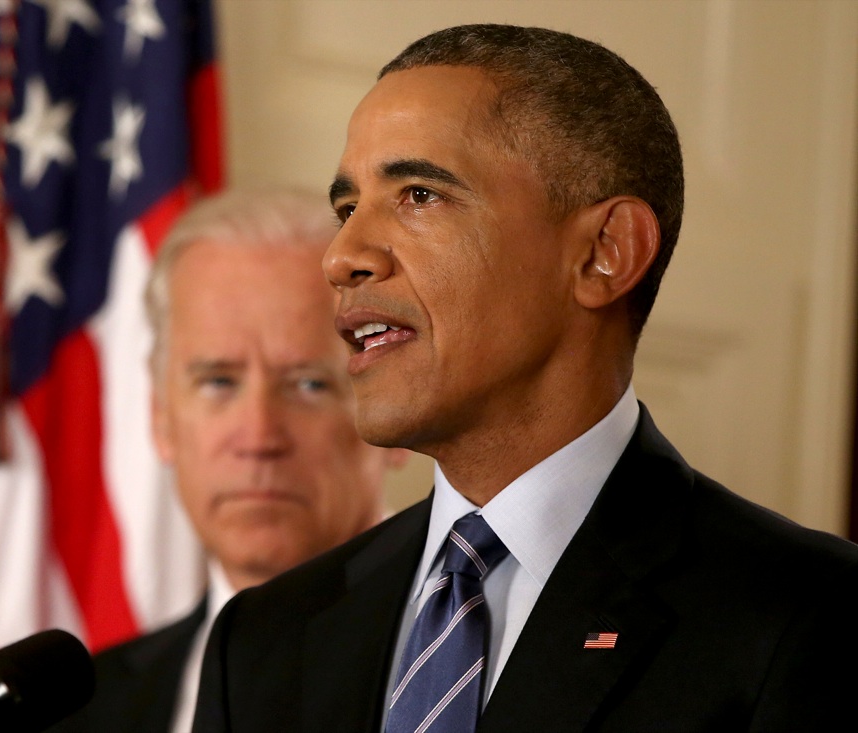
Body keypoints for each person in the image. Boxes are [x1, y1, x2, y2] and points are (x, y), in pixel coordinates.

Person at [193, 24, 858, 732]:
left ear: (604, 253)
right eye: (347, 208)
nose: (341, 255)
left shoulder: (813, 616)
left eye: (418, 194)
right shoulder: (264, 639)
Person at [48, 190, 406, 733]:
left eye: (309, 384)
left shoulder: (463, 669)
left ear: (396, 413)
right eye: (217, 382)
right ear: (161, 416)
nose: (259, 436)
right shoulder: (81, 712)